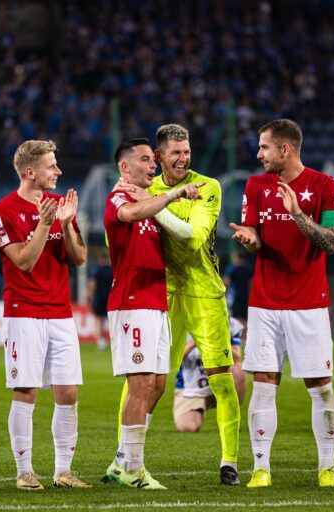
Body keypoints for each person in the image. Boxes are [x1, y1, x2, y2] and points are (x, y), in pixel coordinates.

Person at [230, 119, 334, 488]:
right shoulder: (256, 185)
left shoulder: (325, 185)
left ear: (285, 149)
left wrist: (297, 213)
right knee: (263, 383)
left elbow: (331, 242)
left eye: (264, 147)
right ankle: (261, 468)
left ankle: (327, 467)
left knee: (320, 385)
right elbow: (255, 237)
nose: (259, 154)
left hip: (309, 303)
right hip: (264, 303)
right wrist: (249, 240)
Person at [140, 123, 242, 485]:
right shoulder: (144, 187)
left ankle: (229, 462)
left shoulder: (207, 187)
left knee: (222, 380)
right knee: (146, 379)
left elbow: (193, 239)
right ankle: (128, 457)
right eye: (175, 153)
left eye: (186, 151)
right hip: (162, 293)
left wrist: (148, 206)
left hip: (204, 292)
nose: (183, 158)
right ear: (159, 157)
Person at [0, 140, 90, 490]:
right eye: (52, 166)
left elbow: (78, 258)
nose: (58, 171)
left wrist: (67, 224)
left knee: (68, 393)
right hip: (24, 312)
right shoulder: (2, 210)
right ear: (30, 172)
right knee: (26, 390)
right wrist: (45, 225)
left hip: (60, 312)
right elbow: (24, 262)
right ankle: (25, 471)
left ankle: (64, 471)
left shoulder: (60, 206)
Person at [103, 138, 202, 489]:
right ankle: (133, 468)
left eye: (152, 160)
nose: (151, 165)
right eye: (145, 160)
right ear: (125, 167)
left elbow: (184, 236)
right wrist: (173, 196)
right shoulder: (119, 199)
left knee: (157, 386)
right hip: (132, 303)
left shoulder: (148, 200)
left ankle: (121, 460)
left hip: (156, 302)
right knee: (140, 385)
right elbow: (128, 215)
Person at [174, 317, 247, 433]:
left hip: (220, 382)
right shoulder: (181, 322)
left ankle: (230, 421)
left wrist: (218, 342)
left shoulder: (230, 323)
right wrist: (197, 340)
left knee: (238, 370)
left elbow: (237, 358)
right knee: (187, 427)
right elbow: (174, 360)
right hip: (191, 387)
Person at [86, 249, 112, 351]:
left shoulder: (96, 270)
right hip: (110, 298)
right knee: (111, 320)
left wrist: (89, 298)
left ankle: (101, 341)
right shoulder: (112, 269)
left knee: (99, 320)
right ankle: (113, 341)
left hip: (99, 298)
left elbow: (92, 285)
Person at [222, 249, 253, 329]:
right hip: (246, 297)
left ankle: (237, 336)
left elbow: (227, 281)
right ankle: (244, 337)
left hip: (235, 297)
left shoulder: (233, 268)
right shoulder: (249, 268)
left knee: (236, 319)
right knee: (245, 318)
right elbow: (251, 283)